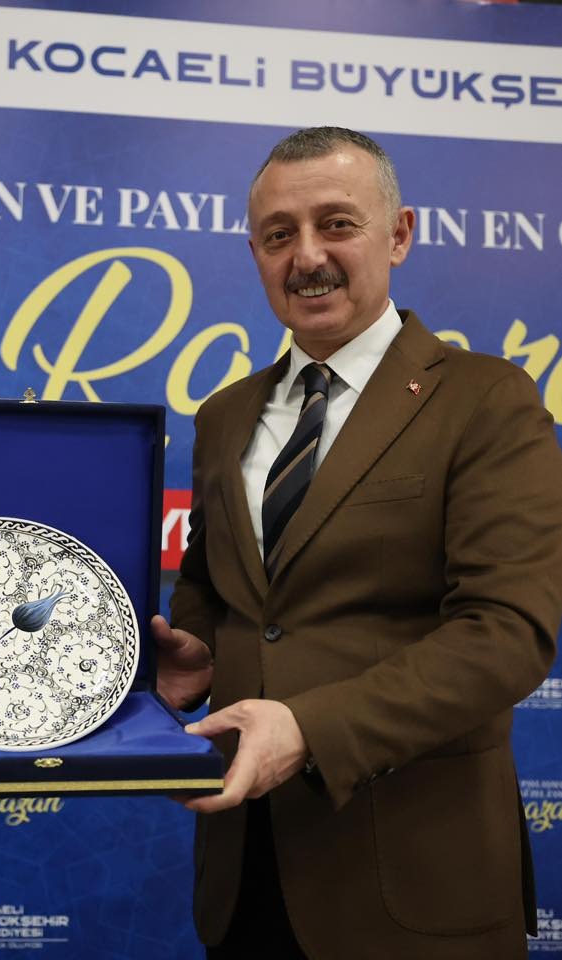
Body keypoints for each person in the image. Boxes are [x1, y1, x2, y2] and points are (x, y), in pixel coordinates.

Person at [152, 126, 562, 960]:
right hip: (244, 874)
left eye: (335, 224)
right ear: (255, 253)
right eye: (278, 235)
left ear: (398, 234)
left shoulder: (486, 400)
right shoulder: (223, 416)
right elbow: (214, 593)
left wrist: (309, 728)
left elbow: (505, 634)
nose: (306, 256)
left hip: (417, 882)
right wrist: (197, 654)